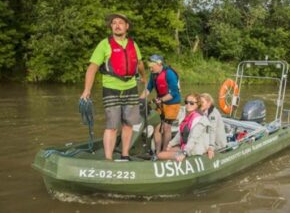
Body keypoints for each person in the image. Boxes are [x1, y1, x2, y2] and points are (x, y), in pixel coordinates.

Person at [80, 13, 146, 160]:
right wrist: (87, 90)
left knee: (128, 124)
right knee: (112, 126)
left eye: (120, 23)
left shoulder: (133, 44)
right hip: (111, 88)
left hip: (131, 88)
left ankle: (125, 155)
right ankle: (108, 159)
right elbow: (92, 68)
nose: (117, 25)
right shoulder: (104, 44)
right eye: (114, 23)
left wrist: (143, 77)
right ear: (111, 27)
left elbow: (140, 63)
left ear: (126, 26)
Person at [139, 54, 181, 154]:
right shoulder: (153, 75)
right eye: (149, 67)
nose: (150, 68)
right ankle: (157, 152)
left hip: (172, 103)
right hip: (161, 102)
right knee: (157, 126)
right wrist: (139, 100)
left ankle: (164, 151)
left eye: (151, 66)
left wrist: (161, 100)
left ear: (159, 64)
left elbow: (174, 93)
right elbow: (148, 89)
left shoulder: (169, 73)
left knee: (166, 127)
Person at [157, 93, 210, 162]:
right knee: (167, 150)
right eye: (186, 102)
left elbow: (193, 138)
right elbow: (180, 134)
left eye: (191, 103)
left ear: (198, 104)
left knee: (160, 155)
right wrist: (170, 144)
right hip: (186, 147)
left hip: (195, 150)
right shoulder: (188, 117)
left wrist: (184, 153)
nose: (188, 105)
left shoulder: (198, 119)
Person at [200, 93, 227, 159]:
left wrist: (211, 147)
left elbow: (212, 130)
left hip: (218, 143)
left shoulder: (213, 114)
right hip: (208, 139)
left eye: (202, 102)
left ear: (208, 103)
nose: (200, 104)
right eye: (199, 102)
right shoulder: (203, 111)